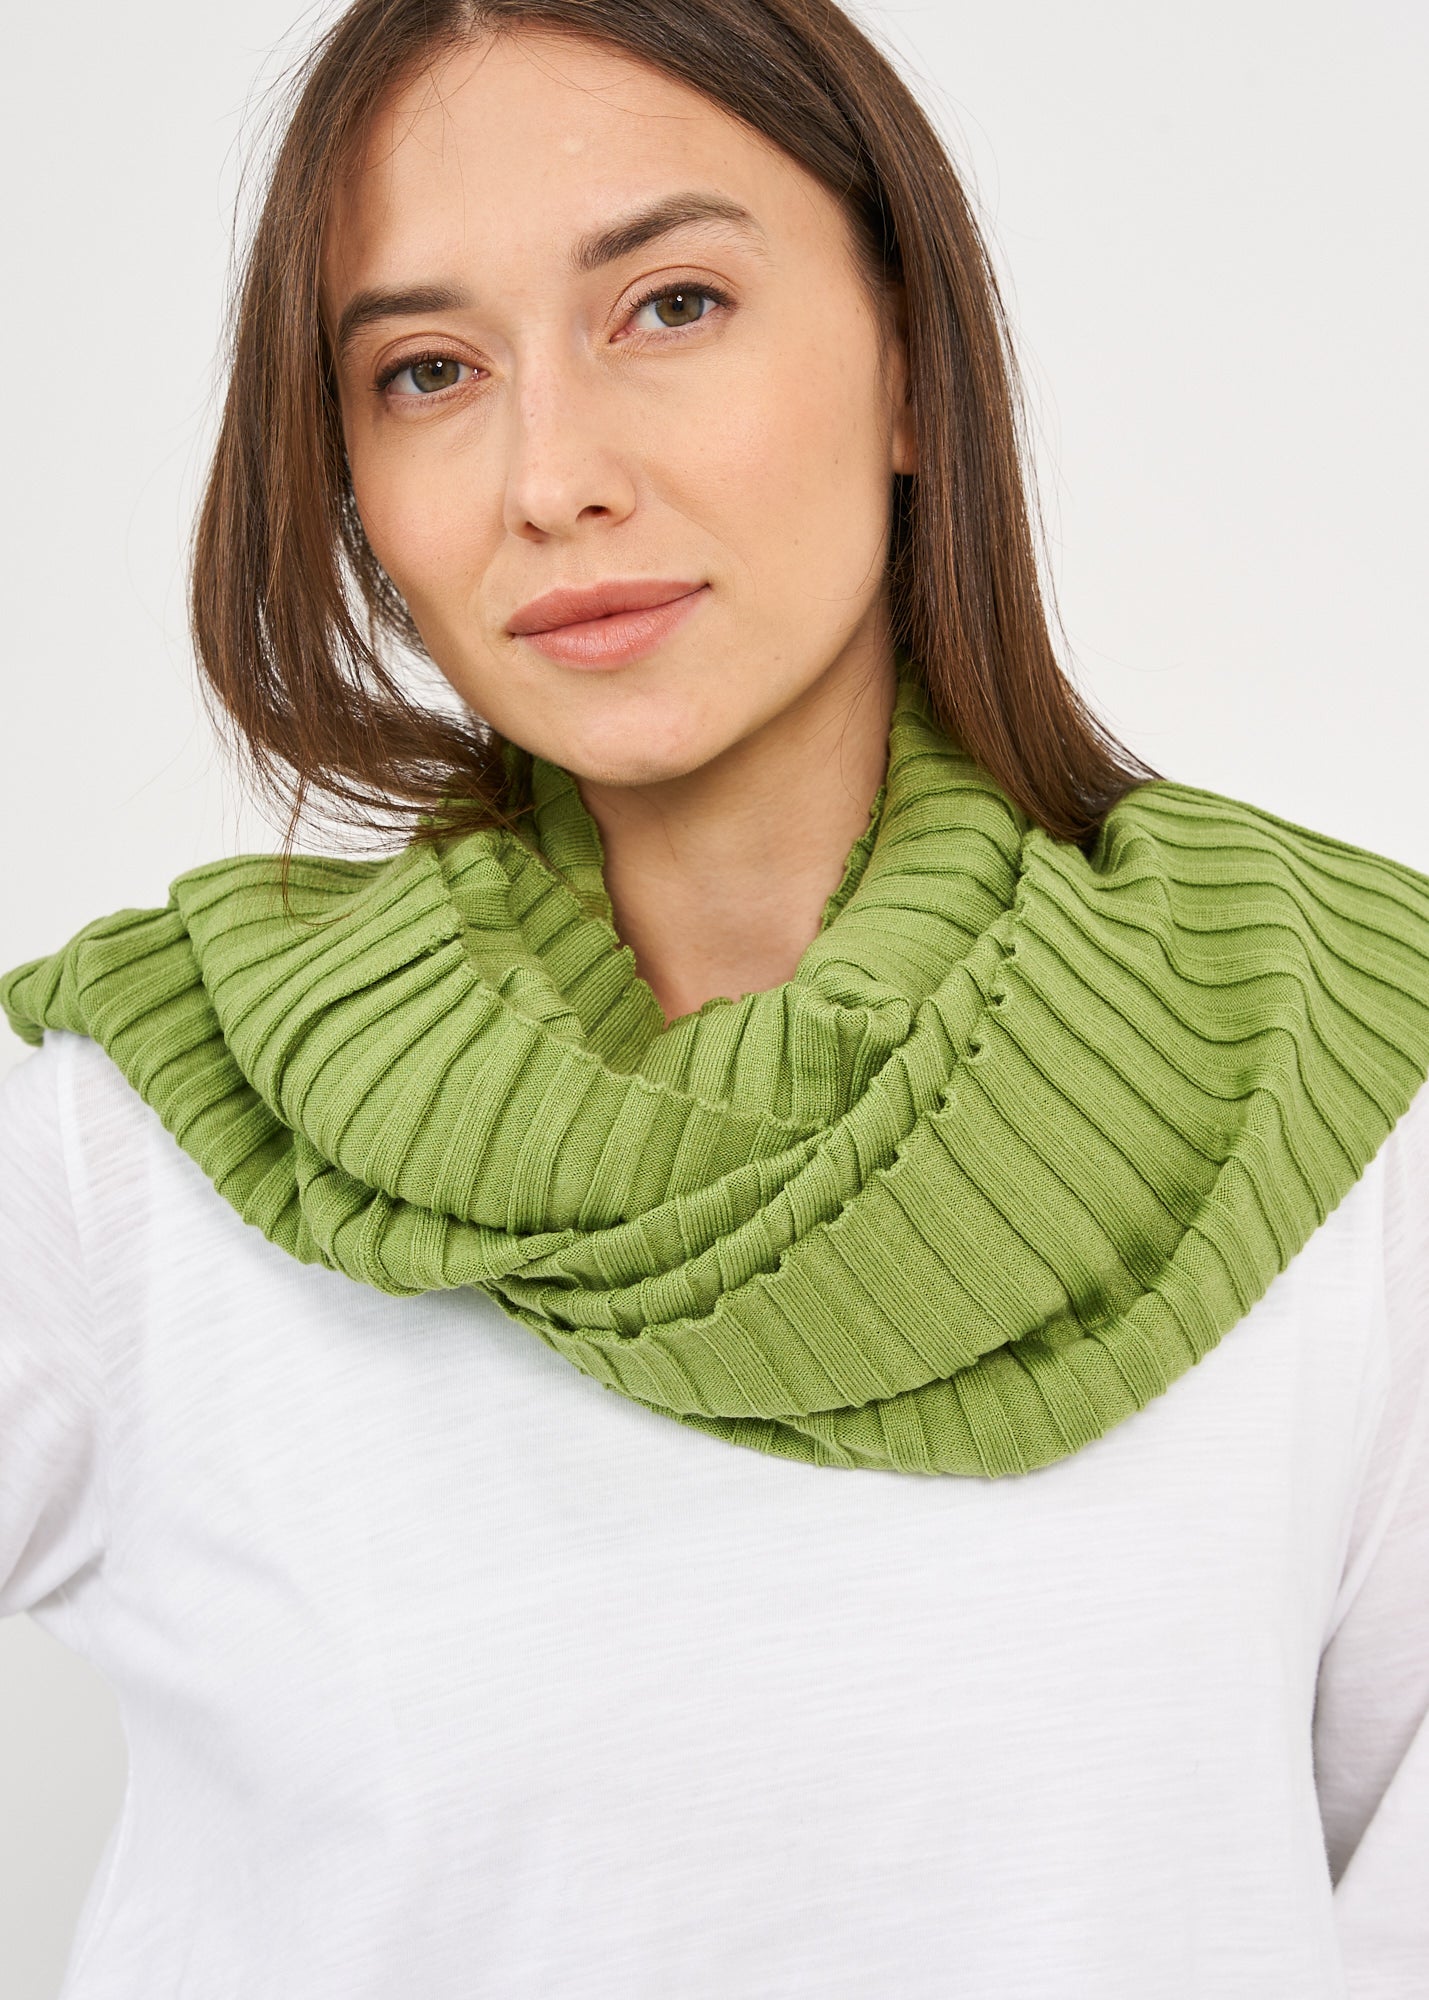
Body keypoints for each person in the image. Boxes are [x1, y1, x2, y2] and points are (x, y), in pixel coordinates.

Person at [2, 0, 1427, 1993]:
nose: (550, 477)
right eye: (426, 372)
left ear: (911, 364)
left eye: (670, 306)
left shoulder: (1329, 1071)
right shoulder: (144, 1130)